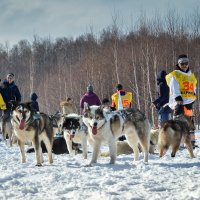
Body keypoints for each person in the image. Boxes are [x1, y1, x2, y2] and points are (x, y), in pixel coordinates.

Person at [165, 54, 197, 148]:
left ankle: (191, 142)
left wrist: (193, 96)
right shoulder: (175, 74)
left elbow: (194, 86)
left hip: (189, 103)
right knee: (178, 123)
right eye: (182, 63)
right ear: (178, 64)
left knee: (190, 123)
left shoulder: (191, 75)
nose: (184, 65)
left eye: (186, 63)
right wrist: (177, 97)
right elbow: (173, 86)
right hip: (179, 102)